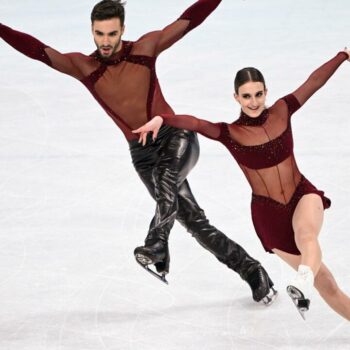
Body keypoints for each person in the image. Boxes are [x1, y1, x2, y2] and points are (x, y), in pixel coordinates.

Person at [0, 0, 276, 303]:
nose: (105, 41)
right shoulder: (85, 67)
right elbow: (38, 51)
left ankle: (156, 242)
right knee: (193, 222)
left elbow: (188, 20)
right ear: (92, 32)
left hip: (175, 135)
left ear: (123, 30)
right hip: (142, 154)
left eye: (112, 33)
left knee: (165, 179)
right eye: (99, 34)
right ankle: (253, 272)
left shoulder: (145, 49)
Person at [133, 49, 350, 320]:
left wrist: (343, 56)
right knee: (327, 284)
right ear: (236, 97)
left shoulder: (282, 110)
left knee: (306, 235)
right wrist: (162, 119)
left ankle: (302, 283)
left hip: (300, 195)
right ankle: (309, 283)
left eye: (258, 94)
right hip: (269, 214)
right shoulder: (231, 133)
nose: (254, 101)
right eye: (246, 96)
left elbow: (314, 82)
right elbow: (196, 123)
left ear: (266, 92)